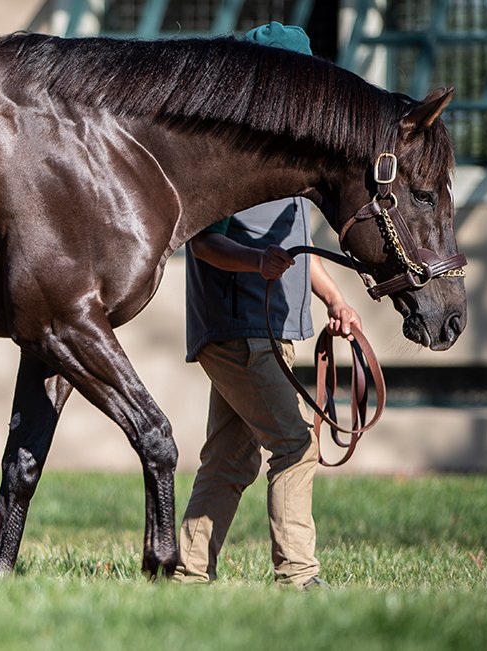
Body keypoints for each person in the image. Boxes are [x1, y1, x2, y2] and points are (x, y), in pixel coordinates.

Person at [173, 23, 362, 590]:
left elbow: (296, 248)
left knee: (230, 460)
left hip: (265, 328)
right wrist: (256, 265)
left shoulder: (288, 156)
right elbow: (201, 240)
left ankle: (188, 571)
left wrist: (333, 296)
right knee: (297, 443)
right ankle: (298, 577)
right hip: (239, 327)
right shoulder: (228, 152)